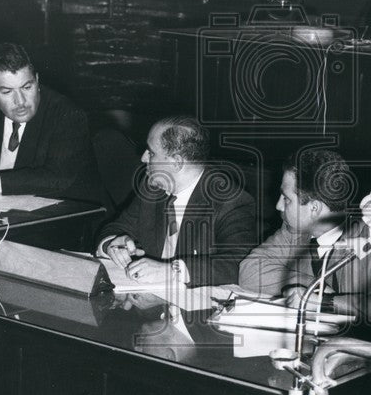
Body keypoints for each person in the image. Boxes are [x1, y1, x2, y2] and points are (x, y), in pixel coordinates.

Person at [239, 149, 371, 326]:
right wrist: (318, 288)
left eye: (286, 199)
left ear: (314, 208)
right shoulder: (294, 230)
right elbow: (249, 271)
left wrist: (324, 302)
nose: (278, 206)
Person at [95, 116, 257, 288]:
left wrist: (171, 271)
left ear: (177, 162)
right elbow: (117, 227)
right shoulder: (153, 188)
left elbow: (239, 264)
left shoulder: (230, 201)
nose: (143, 158)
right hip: (148, 300)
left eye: (151, 153)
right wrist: (112, 244)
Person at [0, 42, 100, 201]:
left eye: (26, 87)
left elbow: (58, 177)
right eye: (7, 92)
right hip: (0, 209)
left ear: (37, 81)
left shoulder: (67, 114)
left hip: (68, 215)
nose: (20, 101)